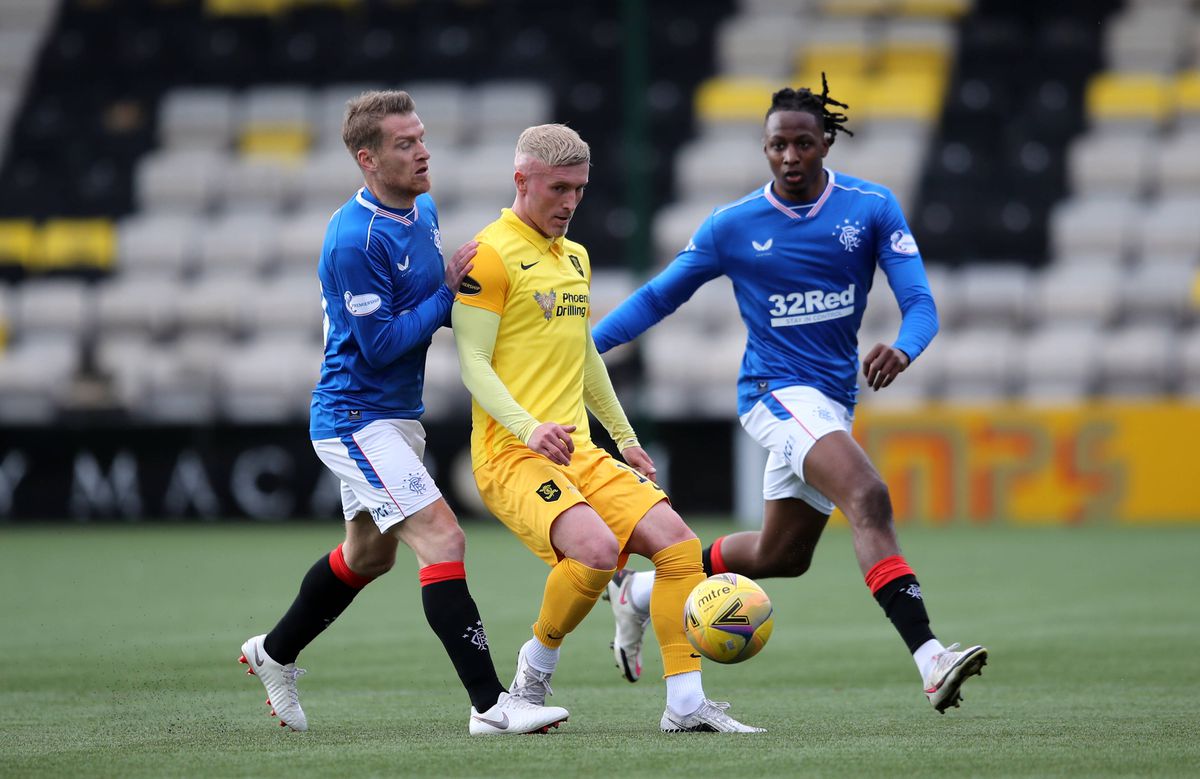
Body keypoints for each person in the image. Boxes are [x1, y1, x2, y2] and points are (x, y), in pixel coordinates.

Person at [592, 77, 988, 714]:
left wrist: (905, 347)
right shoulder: (733, 225)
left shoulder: (871, 207)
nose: (790, 157)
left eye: (804, 143)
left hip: (830, 401)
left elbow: (920, 305)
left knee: (783, 555)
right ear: (765, 147)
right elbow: (660, 296)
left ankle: (637, 591)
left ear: (826, 142)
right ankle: (930, 659)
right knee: (869, 495)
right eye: (778, 145)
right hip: (774, 393)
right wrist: (582, 350)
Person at [237, 90, 568, 736]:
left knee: (368, 556)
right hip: (354, 416)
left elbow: (426, 300)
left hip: (396, 416)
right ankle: (490, 704)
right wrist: (449, 292)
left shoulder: (423, 209)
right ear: (367, 158)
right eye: (404, 144)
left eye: (421, 138)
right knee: (444, 537)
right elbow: (382, 343)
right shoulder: (352, 240)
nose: (422, 152)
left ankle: (273, 652)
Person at [451, 123, 762, 733]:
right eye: (558, 188)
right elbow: (472, 364)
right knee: (593, 554)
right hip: (510, 454)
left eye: (580, 190)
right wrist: (528, 426)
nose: (569, 203)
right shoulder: (488, 256)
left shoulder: (575, 257)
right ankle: (530, 677)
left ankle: (685, 703)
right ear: (522, 180)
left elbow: (585, 356)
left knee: (678, 548)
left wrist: (624, 438)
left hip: (580, 450)